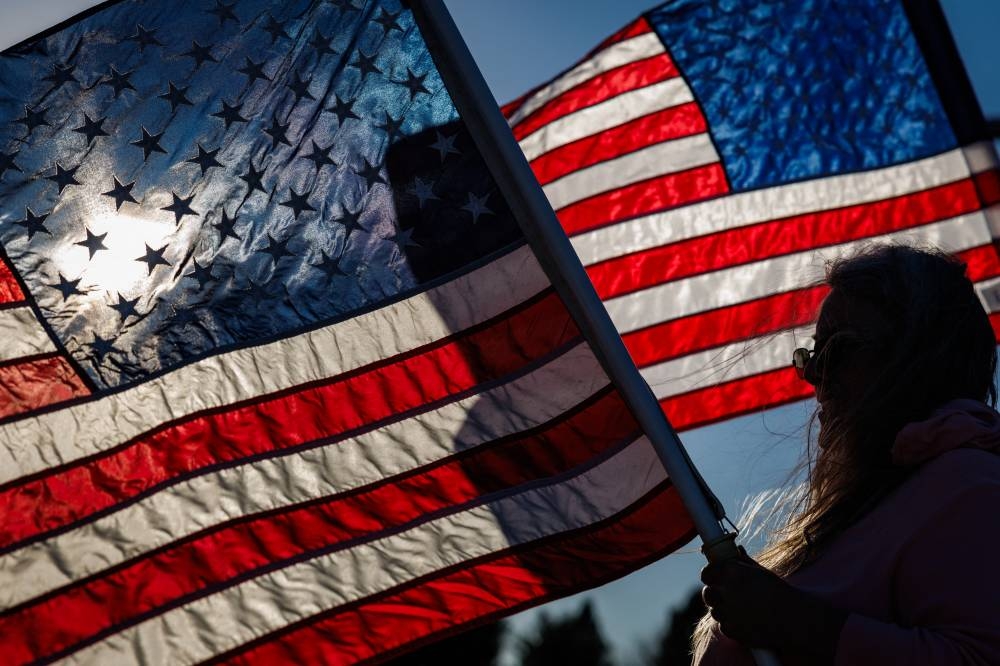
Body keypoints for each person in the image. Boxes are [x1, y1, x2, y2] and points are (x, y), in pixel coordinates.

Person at [693, 244, 1000, 665]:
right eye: (811, 356)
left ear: (918, 354)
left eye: (838, 350)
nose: (815, 376)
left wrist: (793, 621)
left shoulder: (969, 484)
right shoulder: (883, 498)